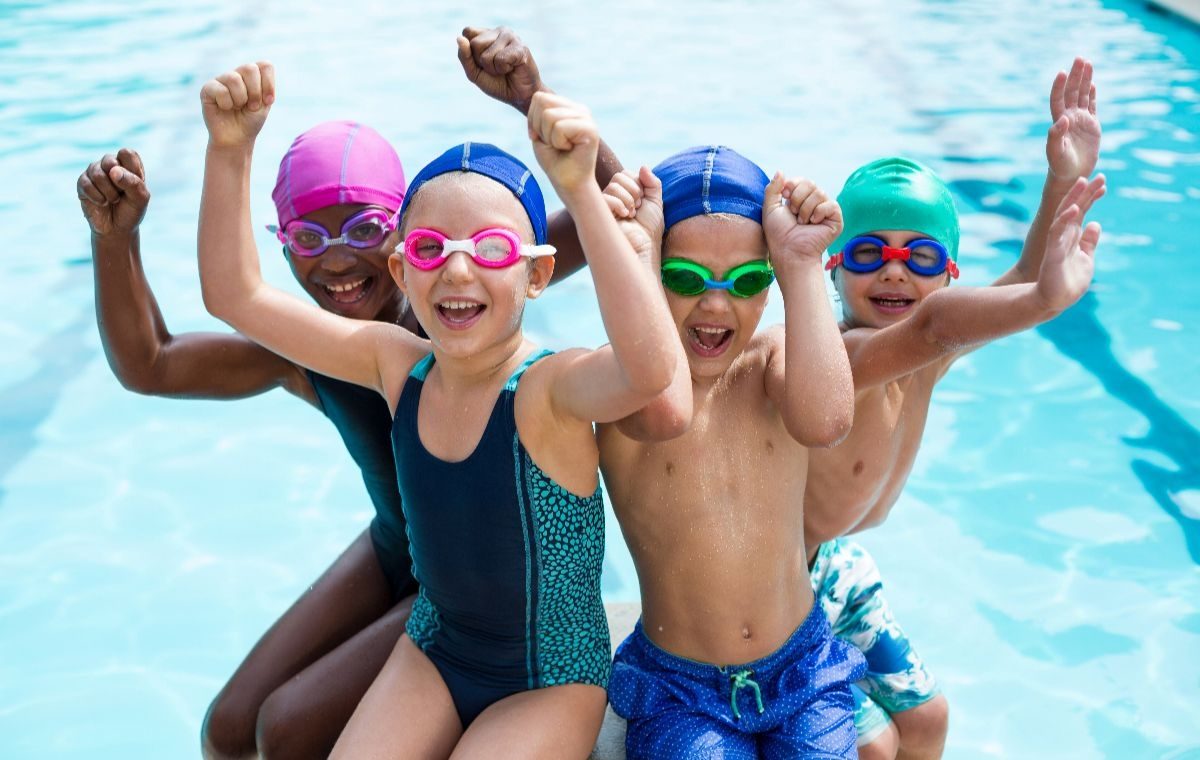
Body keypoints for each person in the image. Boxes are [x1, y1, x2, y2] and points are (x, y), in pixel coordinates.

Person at [75, 28, 621, 759]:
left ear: (403, 239)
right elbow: (152, 363)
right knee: (227, 730)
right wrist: (115, 241)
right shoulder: (315, 351)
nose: (336, 262)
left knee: (285, 727)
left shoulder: (456, 314)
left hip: (475, 590)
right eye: (308, 239)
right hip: (397, 549)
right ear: (282, 245)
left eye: (363, 229)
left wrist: (533, 98)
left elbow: (619, 214)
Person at [196, 58, 680, 758]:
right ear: (402, 269)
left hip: (547, 680)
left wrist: (579, 189)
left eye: (490, 249)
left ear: (537, 273)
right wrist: (230, 148)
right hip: (433, 651)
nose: (457, 269)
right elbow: (234, 295)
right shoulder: (396, 365)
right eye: (429, 248)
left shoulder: (549, 389)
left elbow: (649, 370)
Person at [804, 58, 1105, 759]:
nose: (894, 268)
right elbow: (942, 324)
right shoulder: (838, 359)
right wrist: (1043, 301)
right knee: (873, 746)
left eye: (920, 255)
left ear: (950, 273)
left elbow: (1019, 279)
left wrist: (1061, 178)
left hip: (837, 566)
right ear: (833, 267)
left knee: (929, 719)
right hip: (777, 589)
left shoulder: (926, 358)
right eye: (869, 252)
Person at [597, 146, 866, 759]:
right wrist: (635, 260)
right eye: (684, 278)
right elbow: (666, 410)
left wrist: (801, 264)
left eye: (746, 282)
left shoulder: (771, 363)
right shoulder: (620, 386)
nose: (716, 305)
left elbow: (827, 422)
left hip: (802, 668)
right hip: (679, 690)